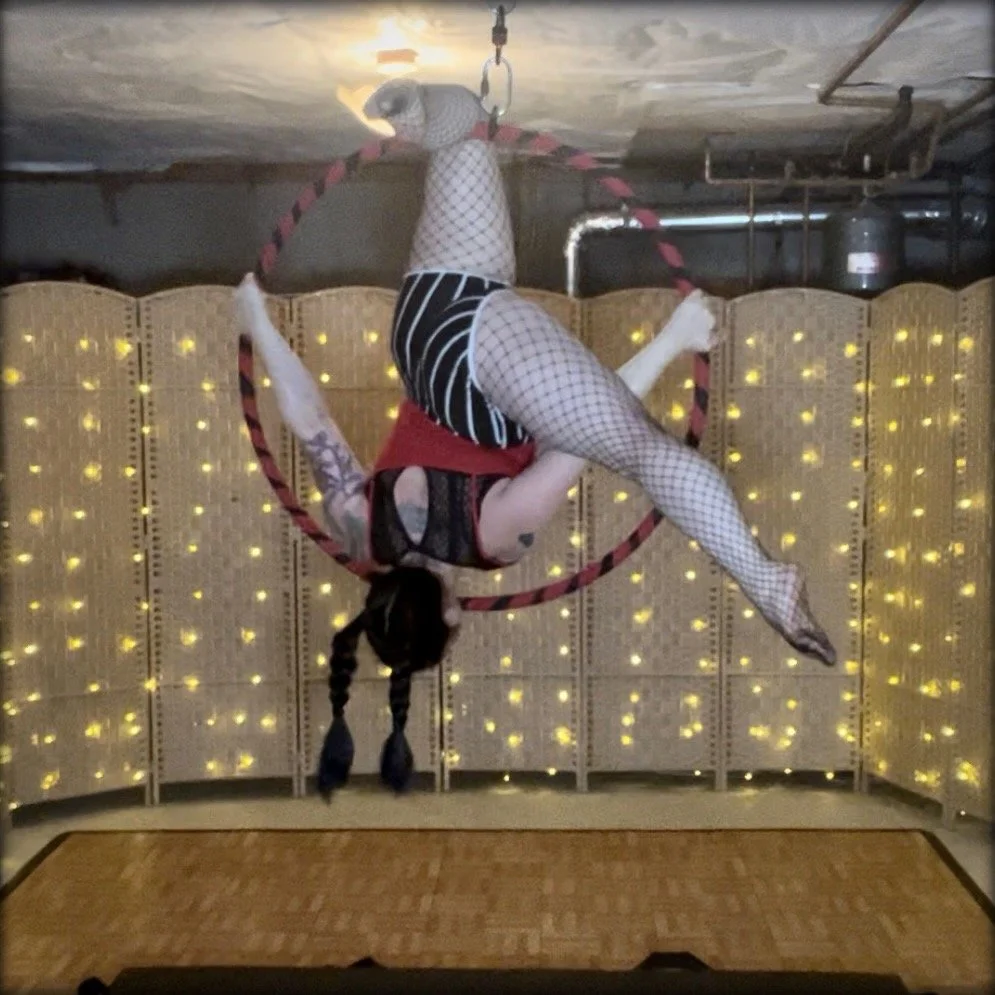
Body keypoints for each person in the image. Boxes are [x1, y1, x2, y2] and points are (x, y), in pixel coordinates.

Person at [233, 79, 836, 795]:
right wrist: (257, 321)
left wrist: (675, 341)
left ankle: (765, 580)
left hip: (481, 363)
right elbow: (309, 417)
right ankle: (416, 114)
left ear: (452, 614)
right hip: (427, 323)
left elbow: (594, 435)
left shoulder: (495, 538)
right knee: (465, 124)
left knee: (641, 451)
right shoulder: (358, 527)